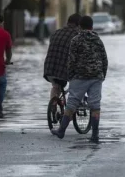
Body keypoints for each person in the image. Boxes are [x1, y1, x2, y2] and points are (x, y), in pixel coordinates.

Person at [52, 15, 108, 143]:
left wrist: (70, 75)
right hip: (96, 76)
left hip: (79, 76)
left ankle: (61, 131)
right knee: (95, 105)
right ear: (92, 26)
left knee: (72, 103)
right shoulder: (98, 40)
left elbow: (71, 60)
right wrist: (102, 74)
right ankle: (95, 135)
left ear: (80, 26)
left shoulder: (76, 40)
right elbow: (104, 59)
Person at [43, 13, 81, 99]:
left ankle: (52, 105)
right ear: (78, 25)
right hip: (63, 71)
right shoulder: (77, 36)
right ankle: (72, 108)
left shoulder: (56, 32)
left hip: (48, 69)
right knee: (77, 84)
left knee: (56, 86)